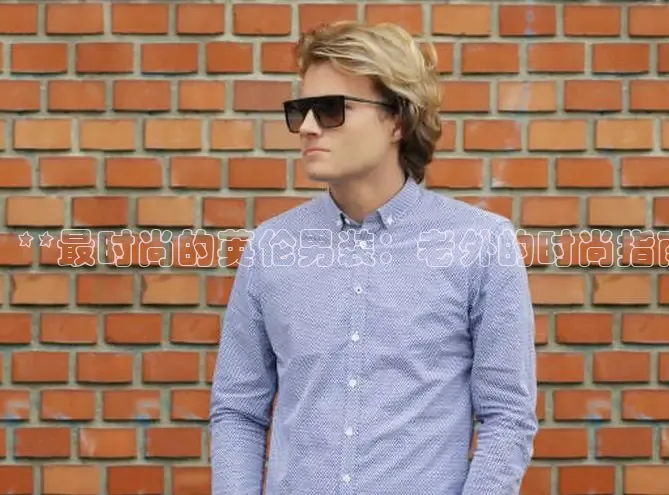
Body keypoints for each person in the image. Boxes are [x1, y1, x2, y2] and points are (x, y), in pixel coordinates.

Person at [209, 20, 538, 495]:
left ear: (397, 120)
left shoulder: (480, 245)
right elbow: (238, 410)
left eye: (330, 110)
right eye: (301, 110)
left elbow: (508, 416)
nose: (307, 127)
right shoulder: (271, 248)